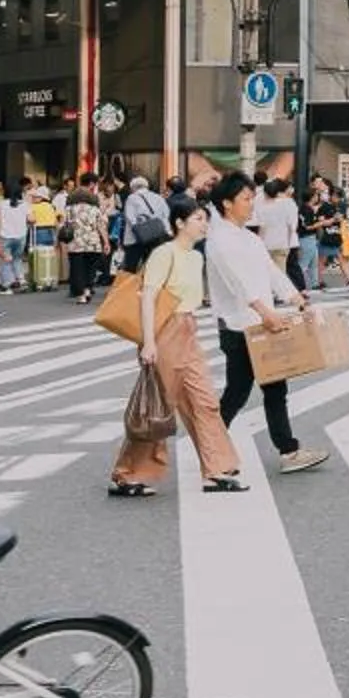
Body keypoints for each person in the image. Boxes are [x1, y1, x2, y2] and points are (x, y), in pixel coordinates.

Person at [107, 195, 245, 497]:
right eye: (198, 219)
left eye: (205, 218)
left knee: (204, 399)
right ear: (179, 223)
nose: (204, 224)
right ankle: (127, 475)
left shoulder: (196, 256)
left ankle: (216, 469)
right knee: (158, 405)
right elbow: (148, 298)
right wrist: (149, 342)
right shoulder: (164, 253)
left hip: (188, 328)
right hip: (164, 330)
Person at [205, 172, 325, 476]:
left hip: (261, 324)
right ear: (227, 203)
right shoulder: (219, 240)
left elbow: (270, 271)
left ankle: (288, 450)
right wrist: (264, 312)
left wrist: (296, 297)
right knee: (238, 392)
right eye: (246, 199)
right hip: (239, 327)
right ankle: (212, 447)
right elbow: (237, 283)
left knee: (272, 389)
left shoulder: (248, 237)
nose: (251, 205)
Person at [0, 184, 31, 295]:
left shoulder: (0, 204)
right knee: (17, 259)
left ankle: (7, 286)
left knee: (5, 260)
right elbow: (31, 218)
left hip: (5, 235)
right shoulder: (25, 205)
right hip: (21, 235)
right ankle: (22, 281)